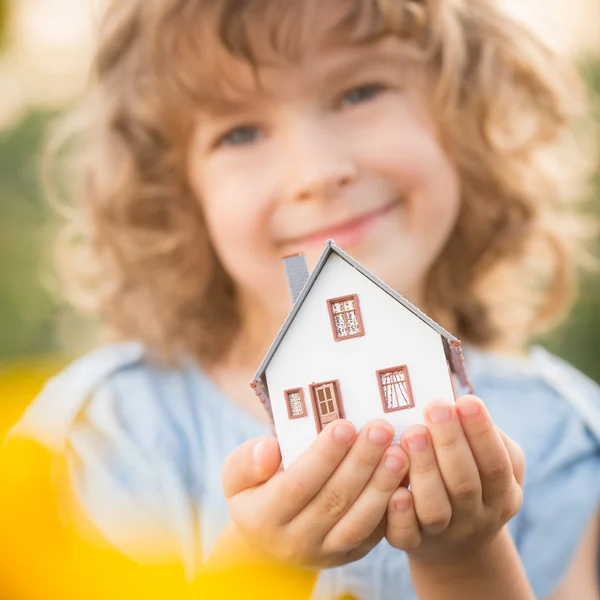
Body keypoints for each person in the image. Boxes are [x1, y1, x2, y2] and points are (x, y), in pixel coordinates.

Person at [8, 0, 600, 598]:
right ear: (175, 195)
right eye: (239, 132)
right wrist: (259, 565)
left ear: (469, 111)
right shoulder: (103, 434)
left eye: (361, 92)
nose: (315, 171)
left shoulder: (563, 439)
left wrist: (463, 557)